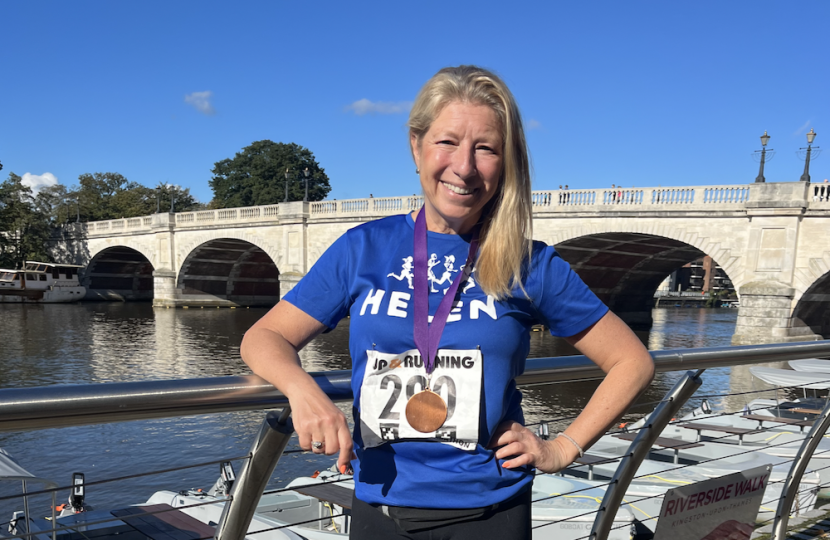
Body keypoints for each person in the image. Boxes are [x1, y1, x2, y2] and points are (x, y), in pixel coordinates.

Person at [241, 65, 654, 539]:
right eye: (448, 142)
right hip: (381, 503)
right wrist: (304, 392)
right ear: (416, 147)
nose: (464, 166)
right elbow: (263, 337)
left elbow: (631, 361)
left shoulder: (529, 263)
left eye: (486, 148)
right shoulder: (364, 248)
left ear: (506, 162)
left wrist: (563, 447)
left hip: (490, 512)